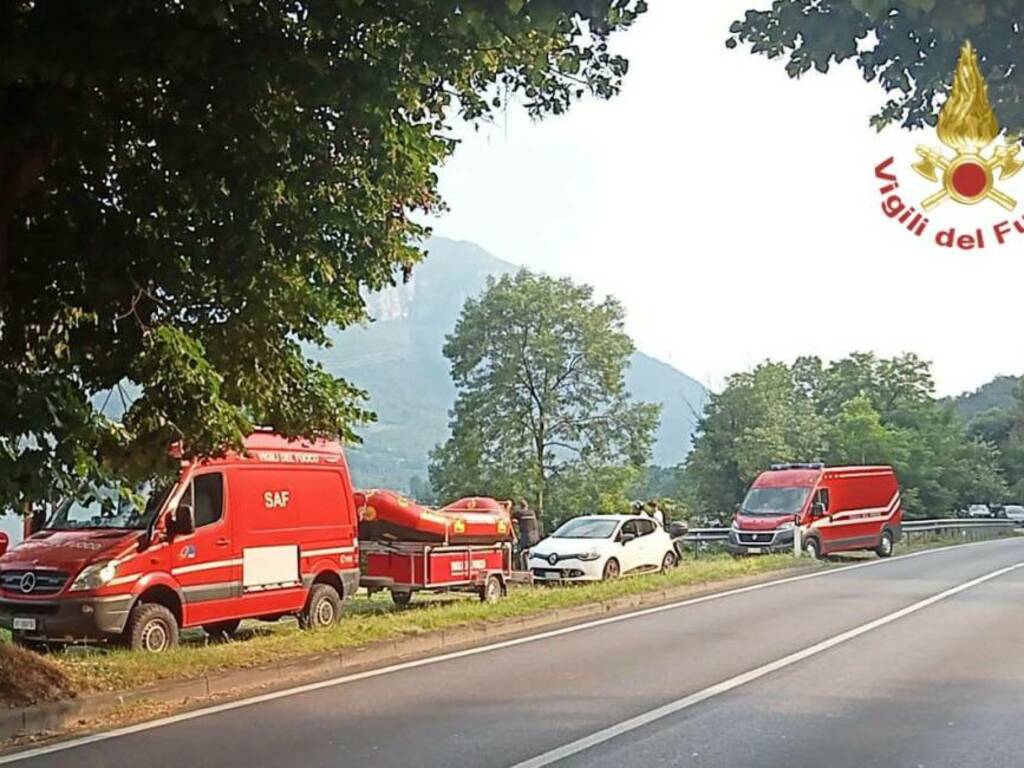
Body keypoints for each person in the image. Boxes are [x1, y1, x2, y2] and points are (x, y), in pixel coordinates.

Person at [513, 498, 541, 568]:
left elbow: (511, 515)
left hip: (526, 537)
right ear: (527, 505)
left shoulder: (520, 513)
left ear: (520, 506)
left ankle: (520, 568)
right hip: (536, 538)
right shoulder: (532, 512)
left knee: (518, 552)